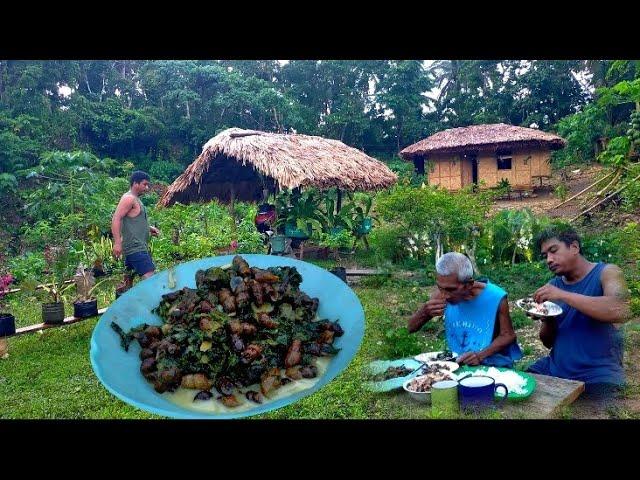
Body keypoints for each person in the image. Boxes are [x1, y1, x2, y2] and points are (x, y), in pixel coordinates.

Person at [526, 225, 631, 398]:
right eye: (545, 256)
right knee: (520, 383)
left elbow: (621, 309)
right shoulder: (553, 286)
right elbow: (548, 342)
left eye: (553, 251)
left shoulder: (607, 272)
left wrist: (563, 295)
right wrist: (547, 318)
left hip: (598, 373)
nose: (549, 260)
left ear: (574, 247)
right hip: (556, 369)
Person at [408, 252, 522, 368]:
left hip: (493, 365)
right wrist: (424, 312)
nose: (444, 295)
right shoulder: (441, 294)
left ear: (469, 284)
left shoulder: (495, 297)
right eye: (439, 287)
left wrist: (480, 356)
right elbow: (409, 328)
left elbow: (508, 335)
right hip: (456, 364)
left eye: (451, 289)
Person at [111, 171, 160, 288]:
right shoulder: (129, 198)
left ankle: (129, 304)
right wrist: (117, 243)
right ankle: (152, 304)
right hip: (135, 247)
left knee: (128, 280)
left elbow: (132, 220)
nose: (147, 188)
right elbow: (116, 219)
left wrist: (148, 228)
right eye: (144, 184)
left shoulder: (136, 199)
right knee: (150, 277)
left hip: (136, 246)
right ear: (135, 183)